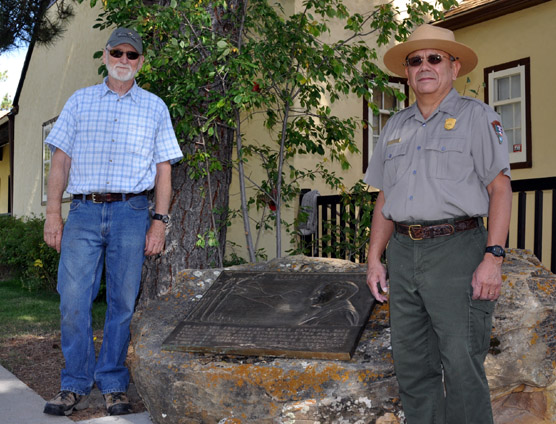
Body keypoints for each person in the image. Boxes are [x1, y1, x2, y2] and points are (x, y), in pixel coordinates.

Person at [364, 24, 512, 424]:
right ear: (407, 72)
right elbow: (384, 198)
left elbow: (500, 189)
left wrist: (493, 258)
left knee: (462, 366)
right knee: (413, 366)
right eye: (415, 60)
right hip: (405, 252)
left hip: (458, 250)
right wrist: (374, 258)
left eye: (435, 58)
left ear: (454, 66)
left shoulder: (478, 117)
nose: (424, 66)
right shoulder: (394, 127)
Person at [42, 27, 183, 417]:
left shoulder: (155, 107)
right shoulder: (79, 102)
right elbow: (60, 162)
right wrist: (53, 213)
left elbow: (164, 170)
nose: (124, 60)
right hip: (84, 213)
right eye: (117, 53)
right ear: (105, 56)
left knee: (122, 304)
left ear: (141, 62)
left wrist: (160, 221)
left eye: (132, 55)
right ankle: (74, 384)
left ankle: (114, 383)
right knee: (73, 301)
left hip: (132, 213)